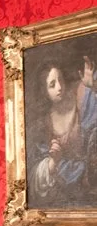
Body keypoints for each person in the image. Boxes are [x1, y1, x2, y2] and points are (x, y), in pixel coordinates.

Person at [30, 61, 97, 207]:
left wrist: (93, 87)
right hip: (77, 182)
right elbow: (44, 166)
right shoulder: (46, 124)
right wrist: (54, 160)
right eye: (52, 85)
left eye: (60, 79)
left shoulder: (82, 92)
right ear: (44, 92)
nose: (59, 87)